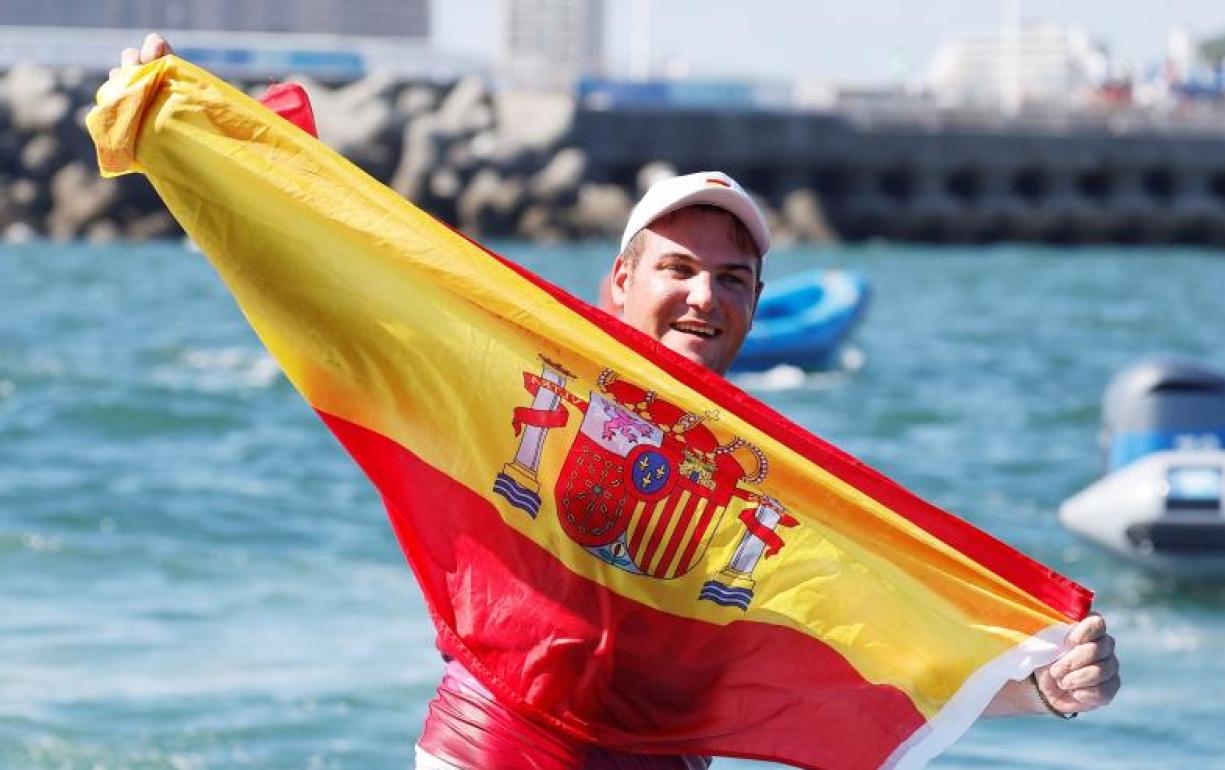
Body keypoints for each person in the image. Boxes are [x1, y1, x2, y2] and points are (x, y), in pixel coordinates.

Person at [117, 34, 1121, 770]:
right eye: (680, 267)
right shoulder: (513, 376)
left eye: (734, 278)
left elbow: (880, 638)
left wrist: (1042, 685)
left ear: (755, 309)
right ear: (620, 283)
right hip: (493, 749)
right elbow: (348, 288)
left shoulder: (768, 483)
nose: (705, 293)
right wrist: (195, 137)